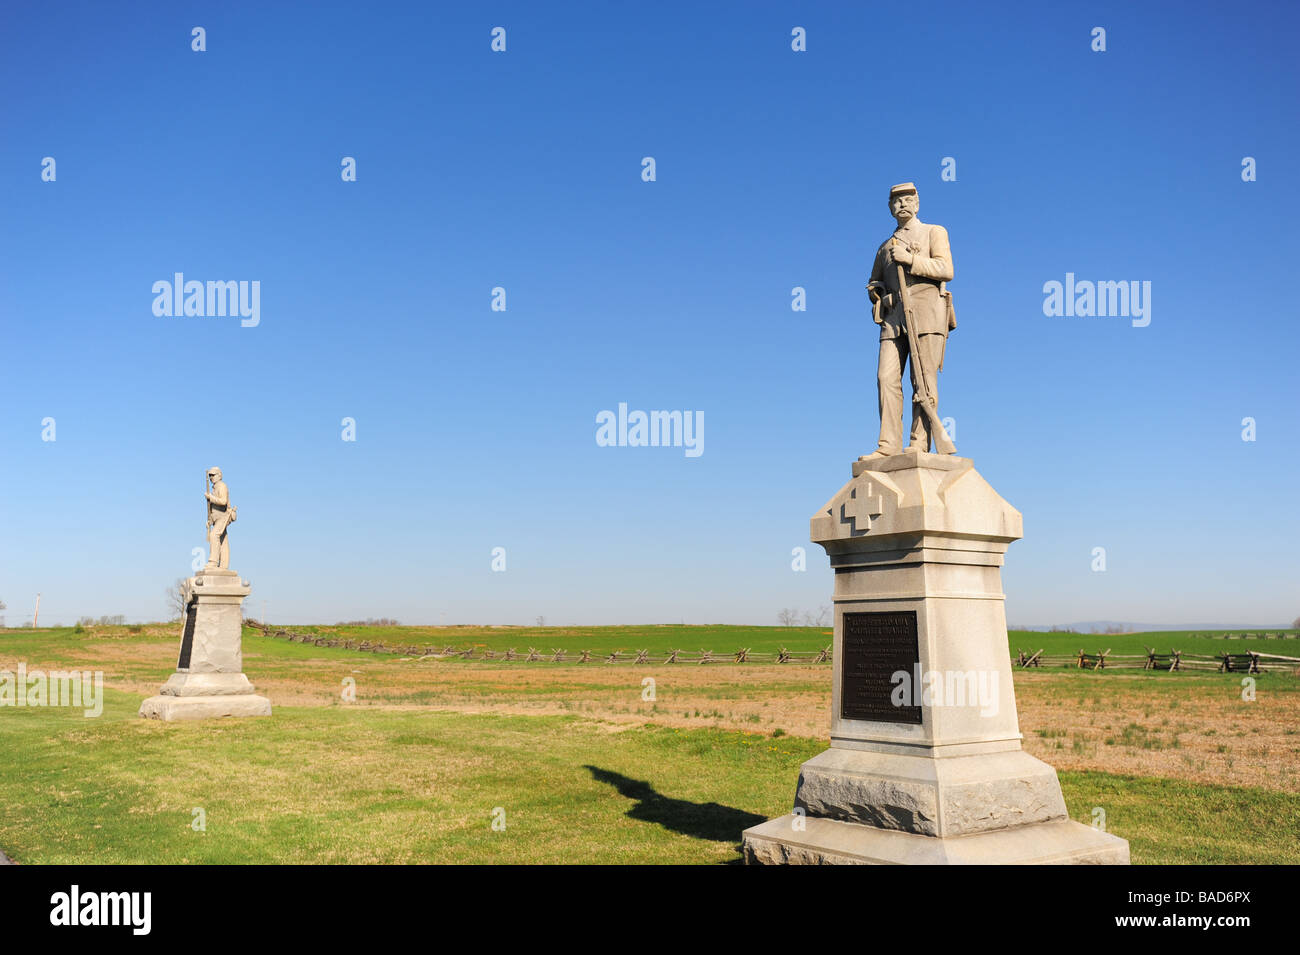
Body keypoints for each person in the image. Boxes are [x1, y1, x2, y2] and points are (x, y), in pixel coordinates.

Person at [862, 182, 956, 458]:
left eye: (907, 199)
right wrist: (882, 297)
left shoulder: (933, 232)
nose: (902, 204)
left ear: (917, 203)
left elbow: (945, 268)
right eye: (896, 201)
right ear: (890, 208)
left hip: (927, 313)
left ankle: (919, 442)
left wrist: (910, 261)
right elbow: (873, 284)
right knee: (886, 377)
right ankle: (888, 445)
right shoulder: (885, 247)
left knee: (923, 381)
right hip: (894, 319)